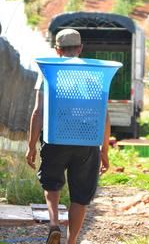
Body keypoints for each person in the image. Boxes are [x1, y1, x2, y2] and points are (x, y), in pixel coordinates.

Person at [26, 28, 111, 244]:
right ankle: (72, 241)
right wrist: (104, 151)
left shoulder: (49, 71)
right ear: (80, 48)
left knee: (51, 184)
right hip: (86, 140)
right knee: (80, 197)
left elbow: (38, 112)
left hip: (56, 138)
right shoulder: (94, 74)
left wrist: (31, 145)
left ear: (57, 50)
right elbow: (104, 116)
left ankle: (54, 223)